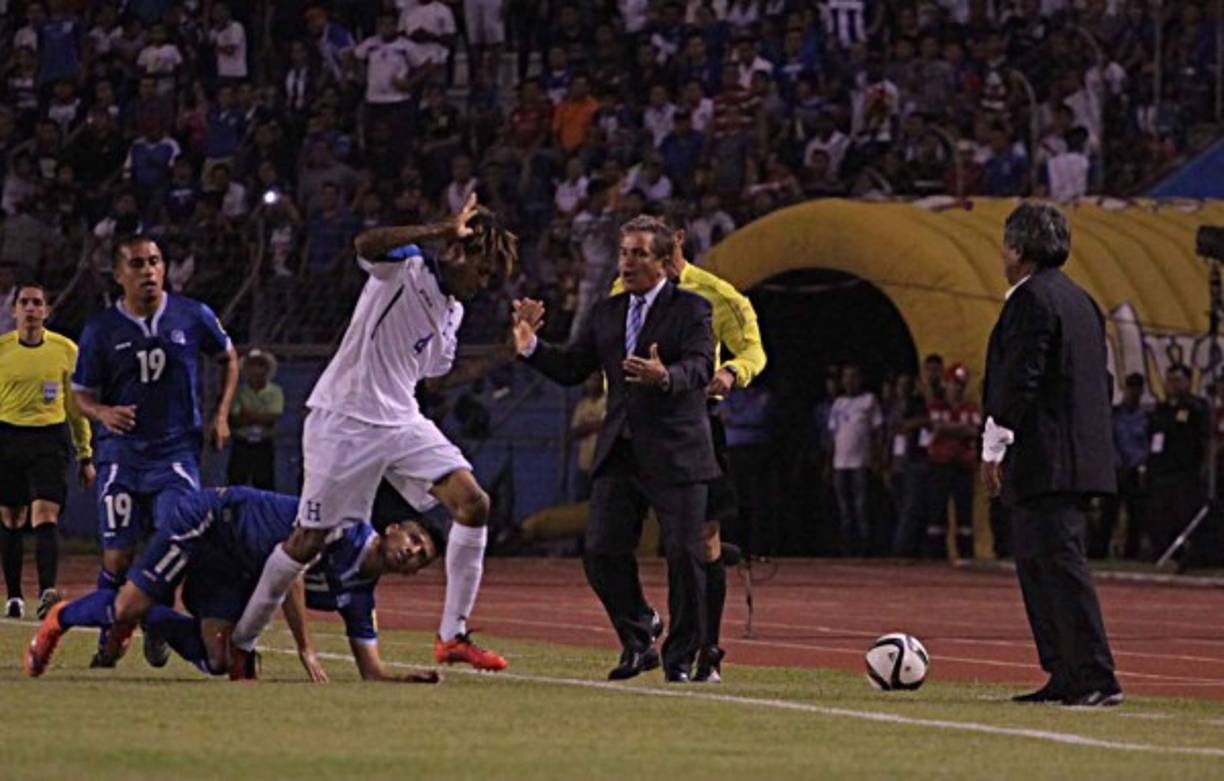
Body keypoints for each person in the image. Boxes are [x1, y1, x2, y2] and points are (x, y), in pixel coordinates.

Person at [225, 194, 517, 676]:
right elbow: (366, 243)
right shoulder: (407, 268)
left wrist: (509, 351)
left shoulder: (453, 313)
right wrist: (438, 229)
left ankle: (452, 637)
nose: (484, 285)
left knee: (474, 503)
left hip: (402, 419)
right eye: (483, 272)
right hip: (345, 417)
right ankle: (243, 640)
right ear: (459, 253)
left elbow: (436, 378)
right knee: (307, 542)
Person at [513, 215, 718, 683]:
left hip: (676, 451)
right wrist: (530, 347)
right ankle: (638, 634)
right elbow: (572, 367)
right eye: (624, 252)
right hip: (621, 451)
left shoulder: (692, 310)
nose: (627, 261)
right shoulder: (607, 312)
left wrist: (665, 377)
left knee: (685, 558)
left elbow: (701, 368)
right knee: (602, 551)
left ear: (666, 263)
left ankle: (681, 659)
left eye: (639, 253)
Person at [26, 487, 440, 684]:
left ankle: (155, 621)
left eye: (421, 557)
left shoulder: (360, 594)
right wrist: (306, 649)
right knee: (126, 606)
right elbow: (291, 572)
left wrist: (402, 679)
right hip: (212, 521)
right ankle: (63, 618)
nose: (412, 552)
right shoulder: (346, 529)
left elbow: (371, 668)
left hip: (235, 568)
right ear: (393, 529)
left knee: (219, 662)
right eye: (414, 540)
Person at [609, 215, 767, 682]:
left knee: (702, 541)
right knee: (608, 539)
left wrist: (731, 373)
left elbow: (754, 350)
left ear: (676, 240)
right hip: (631, 431)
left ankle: (706, 649)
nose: (637, 258)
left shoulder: (716, 295)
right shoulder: (623, 292)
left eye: (651, 246)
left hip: (690, 426)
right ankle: (641, 624)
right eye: (630, 249)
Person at [71, 235, 239, 668]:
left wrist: (221, 414)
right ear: (119, 274)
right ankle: (112, 636)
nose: (148, 271)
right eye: (137, 264)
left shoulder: (192, 314)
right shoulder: (101, 329)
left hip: (175, 453)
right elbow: (81, 396)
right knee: (118, 556)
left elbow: (228, 357)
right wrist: (103, 412)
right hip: (122, 453)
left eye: (155, 262)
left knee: (175, 545)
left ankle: (156, 626)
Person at [982, 202, 1122, 707]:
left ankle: (1094, 673)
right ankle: (1065, 671)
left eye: (1005, 243)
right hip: (1076, 454)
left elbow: (1019, 378)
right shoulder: (1080, 300)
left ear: (1018, 247)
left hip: (1048, 458)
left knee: (1058, 567)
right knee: (1043, 566)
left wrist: (993, 445)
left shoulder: (1030, 300)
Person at [0, 283, 94, 620]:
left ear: (46, 311)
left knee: (45, 515)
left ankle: (46, 593)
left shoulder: (65, 350)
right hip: (7, 437)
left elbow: (75, 407)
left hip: (48, 440)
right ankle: (13, 596)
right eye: (23, 302)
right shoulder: (2, 349)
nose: (30, 308)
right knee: (12, 518)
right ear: (14, 310)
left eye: (37, 302)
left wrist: (85, 454)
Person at [1146, 364, 1207, 557]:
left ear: (1188, 382)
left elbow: (1202, 441)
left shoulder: (1196, 408)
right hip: (1161, 471)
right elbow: (1153, 438)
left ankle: (1184, 554)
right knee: (1159, 515)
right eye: (1170, 380)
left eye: (1177, 380)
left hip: (1185, 472)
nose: (1172, 384)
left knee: (1182, 514)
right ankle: (1160, 552)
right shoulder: (1161, 410)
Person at [925, 364, 982, 559]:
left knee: (964, 514)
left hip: (963, 467)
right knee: (937, 511)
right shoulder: (937, 406)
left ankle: (966, 556)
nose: (957, 388)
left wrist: (951, 428)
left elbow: (975, 431)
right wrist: (962, 429)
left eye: (961, 385)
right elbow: (937, 427)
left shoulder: (970, 408)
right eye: (954, 384)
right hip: (940, 465)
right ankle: (935, 556)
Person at [828, 364, 883, 555]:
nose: (850, 381)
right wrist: (829, 463)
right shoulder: (838, 403)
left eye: (854, 377)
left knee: (862, 506)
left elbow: (878, 432)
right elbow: (832, 436)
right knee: (844, 508)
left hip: (861, 462)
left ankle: (865, 546)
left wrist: (878, 457)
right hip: (840, 463)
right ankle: (848, 547)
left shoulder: (869, 400)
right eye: (846, 377)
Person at [1096, 373, 1150, 559]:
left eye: (1136, 388)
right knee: (1108, 513)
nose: (1132, 392)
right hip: (1116, 469)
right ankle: (1099, 550)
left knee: (1135, 514)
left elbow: (1147, 443)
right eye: (1130, 388)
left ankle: (1131, 553)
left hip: (1135, 470)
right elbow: (1108, 439)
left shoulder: (1145, 417)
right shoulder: (1115, 414)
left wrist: (1141, 463)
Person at [227, 349, 284, 490]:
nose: (256, 370)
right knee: (236, 483)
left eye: (260, 365)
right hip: (242, 444)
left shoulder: (276, 392)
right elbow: (235, 418)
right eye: (252, 366)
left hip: (264, 444)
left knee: (265, 484)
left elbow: (272, 417)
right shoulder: (239, 391)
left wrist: (249, 415)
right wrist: (259, 416)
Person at [570, 374, 606, 502]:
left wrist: (587, 426)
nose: (592, 384)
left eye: (596, 380)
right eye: (589, 380)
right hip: (584, 465)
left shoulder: (607, 402)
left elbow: (608, 425)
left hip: (603, 466)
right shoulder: (582, 405)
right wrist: (594, 425)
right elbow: (575, 431)